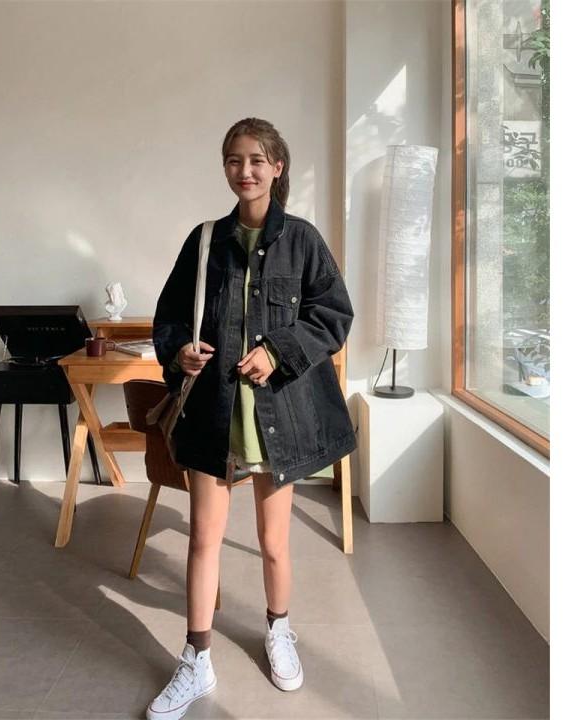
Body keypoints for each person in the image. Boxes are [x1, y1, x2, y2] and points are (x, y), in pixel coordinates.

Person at [146, 118, 356, 720]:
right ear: (225, 167)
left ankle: (279, 630)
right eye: (235, 160)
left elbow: (333, 316)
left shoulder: (303, 240)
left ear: (277, 167)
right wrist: (179, 352)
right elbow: (169, 317)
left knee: (272, 543)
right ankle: (196, 658)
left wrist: (278, 352)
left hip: (275, 418)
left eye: (257, 160)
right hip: (213, 413)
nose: (246, 171)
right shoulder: (204, 241)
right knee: (203, 540)